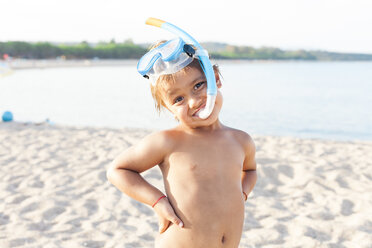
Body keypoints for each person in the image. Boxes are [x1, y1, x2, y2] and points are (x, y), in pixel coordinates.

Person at [107, 26, 257, 248]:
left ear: (215, 79)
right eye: (178, 99)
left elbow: (250, 170)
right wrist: (157, 202)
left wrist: (241, 194)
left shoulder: (240, 140)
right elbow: (118, 170)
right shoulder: (168, 141)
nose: (194, 102)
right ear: (168, 109)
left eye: (198, 85)